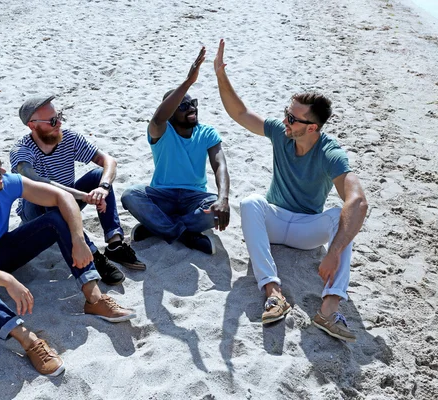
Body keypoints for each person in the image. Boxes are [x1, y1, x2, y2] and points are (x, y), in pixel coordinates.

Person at [0, 144, 136, 376]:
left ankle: (94, 299)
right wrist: (6, 279)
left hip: (4, 250)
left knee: (56, 219)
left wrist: (79, 239)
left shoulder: (3, 183)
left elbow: (61, 196)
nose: (4, 172)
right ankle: (28, 341)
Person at [214, 40, 368, 342]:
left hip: (307, 232)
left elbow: (358, 201)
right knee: (251, 202)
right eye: (287, 113)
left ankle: (329, 310)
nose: (286, 121)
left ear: (312, 127)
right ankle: (273, 293)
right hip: (274, 221)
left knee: (342, 214)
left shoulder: (329, 152)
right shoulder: (281, 133)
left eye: (293, 119)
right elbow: (241, 113)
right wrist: (221, 75)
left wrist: (333, 252)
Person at [10, 96, 146, 281]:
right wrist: (83, 195)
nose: (59, 123)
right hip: (35, 211)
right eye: (52, 121)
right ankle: (92, 255)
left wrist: (103, 188)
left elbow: (109, 161)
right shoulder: (22, 150)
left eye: (59, 116)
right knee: (52, 198)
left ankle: (115, 244)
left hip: (70, 199)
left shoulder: (69, 138)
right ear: (32, 126)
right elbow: (37, 182)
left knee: (99, 175)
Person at [121, 47, 231, 255]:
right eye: (183, 106)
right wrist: (188, 81)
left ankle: (157, 227)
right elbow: (157, 118)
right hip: (162, 196)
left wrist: (222, 198)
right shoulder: (160, 131)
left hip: (195, 198)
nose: (191, 108)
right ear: (171, 114)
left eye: (193, 103)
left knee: (214, 210)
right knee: (130, 195)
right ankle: (185, 234)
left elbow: (220, 165)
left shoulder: (206, 132)